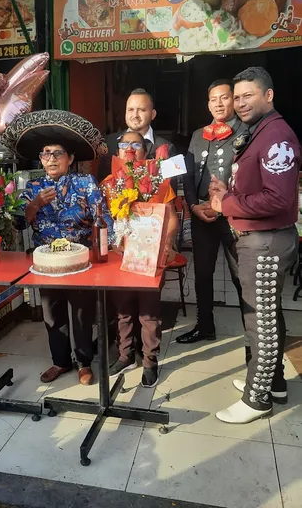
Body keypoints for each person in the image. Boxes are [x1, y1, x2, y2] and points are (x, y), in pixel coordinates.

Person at [210, 66, 300, 424]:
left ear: (269, 95)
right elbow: (257, 186)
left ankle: (257, 398)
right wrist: (229, 193)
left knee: (259, 322)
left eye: (249, 95)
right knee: (267, 315)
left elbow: (277, 199)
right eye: (237, 96)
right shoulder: (259, 131)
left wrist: (225, 205)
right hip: (259, 240)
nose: (240, 102)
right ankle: (274, 382)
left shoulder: (277, 136)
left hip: (265, 242)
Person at [2, 110, 114, 386]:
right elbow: (18, 226)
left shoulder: (85, 184)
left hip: (81, 260)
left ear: (71, 158)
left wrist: (105, 250)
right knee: (52, 313)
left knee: (80, 313)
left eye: (57, 153)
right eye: (45, 154)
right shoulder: (32, 187)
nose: (50, 159)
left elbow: (105, 220)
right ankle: (60, 361)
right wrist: (34, 205)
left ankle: (84, 363)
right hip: (47, 263)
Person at [102, 130, 178, 388]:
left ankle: (150, 361)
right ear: (117, 150)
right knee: (122, 311)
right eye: (124, 144)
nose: (130, 148)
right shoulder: (108, 183)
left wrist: (163, 247)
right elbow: (101, 220)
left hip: (150, 258)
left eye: (136, 144)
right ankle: (125, 356)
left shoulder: (158, 181)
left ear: (146, 151)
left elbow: (172, 219)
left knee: (149, 314)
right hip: (119, 258)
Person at [177, 80, 246, 344]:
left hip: (233, 216)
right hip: (202, 214)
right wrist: (194, 205)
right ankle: (205, 326)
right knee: (202, 275)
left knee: (241, 276)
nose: (218, 103)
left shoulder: (246, 131)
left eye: (224, 98)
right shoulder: (198, 134)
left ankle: (252, 334)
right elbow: (190, 173)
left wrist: (224, 205)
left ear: (234, 100)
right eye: (213, 99)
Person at [98, 88, 177, 181]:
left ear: (153, 114)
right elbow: (101, 182)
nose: (135, 115)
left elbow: (170, 189)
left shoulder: (167, 148)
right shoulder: (109, 142)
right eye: (130, 109)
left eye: (141, 110)